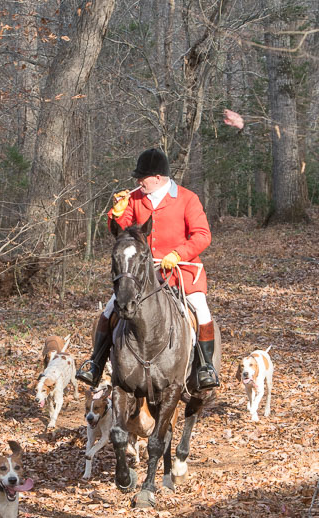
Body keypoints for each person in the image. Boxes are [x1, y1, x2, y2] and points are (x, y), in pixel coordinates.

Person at [76, 147, 219, 390]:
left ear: (158, 178)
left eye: (142, 178)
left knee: (201, 311)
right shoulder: (134, 198)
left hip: (180, 273)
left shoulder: (187, 198)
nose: (138, 182)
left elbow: (203, 235)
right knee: (110, 310)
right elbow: (120, 232)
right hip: (142, 274)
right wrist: (116, 215)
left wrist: (178, 254)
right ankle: (96, 363)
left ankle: (206, 367)